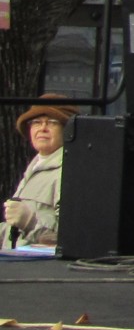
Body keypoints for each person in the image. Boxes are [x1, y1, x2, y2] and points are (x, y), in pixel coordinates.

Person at [4, 94, 75, 249]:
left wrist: (30, 222)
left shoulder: (71, 172)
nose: (42, 128)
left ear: (67, 130)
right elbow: (13, 231)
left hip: (40, 264)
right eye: (36, 122)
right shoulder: (35, 167)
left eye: (52, 123)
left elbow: (71, 238)